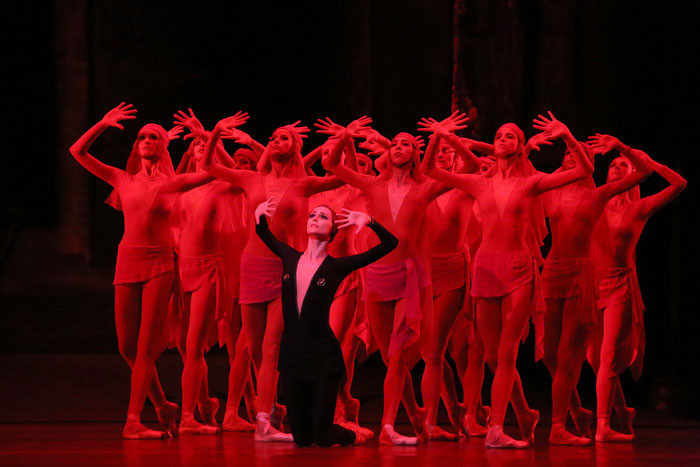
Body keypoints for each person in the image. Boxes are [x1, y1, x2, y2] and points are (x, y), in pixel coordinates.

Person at [422, 112, 592, 448]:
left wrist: (567, 135)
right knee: (490, 355)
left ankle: (497, 428)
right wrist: (439, 135)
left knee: (507, 351)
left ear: (520, 146)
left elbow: (584, 171)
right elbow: (430, 170)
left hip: (518, 268)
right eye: (498, 136)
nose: (502, 140)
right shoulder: (479, 183)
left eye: (509, 136)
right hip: (486, 268)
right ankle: (522, 414)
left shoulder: (530, 182)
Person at [202, 114, 354, 441]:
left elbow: (341, 174)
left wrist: (344, 138)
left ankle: (262, 422)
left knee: (272, 347)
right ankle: (270, 409)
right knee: (255, 349)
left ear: (296, 147)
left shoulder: (304, 184)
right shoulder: (251, 179)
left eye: (284, 137)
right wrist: (215, 132)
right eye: (272, 137)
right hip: (252, 266)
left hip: (284, 269)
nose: (275, 141)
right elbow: (209, 165)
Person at [69, 103, 215, 439]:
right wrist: (102, 123)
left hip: (160, 263)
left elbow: (215, 171)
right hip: (128, 260)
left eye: (154, 137)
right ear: (136, 146)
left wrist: (205, 135)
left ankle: (133, 420)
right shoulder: (122, 179)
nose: (146, 140)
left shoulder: (174, 183)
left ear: (164, 146)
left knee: (147, 347)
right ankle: (162, 404)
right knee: (127, 347)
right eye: (142, 137)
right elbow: (77, 152)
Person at [322, 119, 451, 445]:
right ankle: (415, 413)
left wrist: (437, 138)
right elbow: (333, 165)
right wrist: (346, 136)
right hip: (377, 275)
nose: (398, 147)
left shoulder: (423, 189)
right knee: (387, 356)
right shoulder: (372, 186)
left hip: (409, 276)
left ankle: (388, 426)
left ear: (415, 153)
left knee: (396, 354)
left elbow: (460, 171)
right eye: (394, 143)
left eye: (406, 143)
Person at [254, 198, 397, 446]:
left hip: (323, 359)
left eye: (323, 217)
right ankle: (329, 428)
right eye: (312, 215)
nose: (315, 219)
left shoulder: (336, 267)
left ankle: (354, 434)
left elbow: (390, 244)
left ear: (332, 231)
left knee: (321, 438)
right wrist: (259, 214)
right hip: (293, 358)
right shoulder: (290, 257)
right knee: (302, 439)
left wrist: (370, 222)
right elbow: (263, 233)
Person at [539, 137, 651, 445]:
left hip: (588, 277)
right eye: (568, 153)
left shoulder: (598, 196)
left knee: (581, 356)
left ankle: (566, 425)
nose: (572, 156)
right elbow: (523, 181)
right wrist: (532, 146)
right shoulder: (552, 192)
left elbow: (644, 172)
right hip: (553, 273)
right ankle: (582, 411)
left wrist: (621, 147)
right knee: (548, 353)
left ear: (590, 164)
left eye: (580, 153)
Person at [587, 134, 687, 442]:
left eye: (623, 165)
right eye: (612, 165)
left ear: (634, 173)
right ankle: (622, 412)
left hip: (620, 285)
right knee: (594, 359)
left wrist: (633, 153)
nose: (616, 167)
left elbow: (679, 183)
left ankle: (603, 426)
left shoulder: (639, 208)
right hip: (592, 285)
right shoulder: (595, 201)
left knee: (607, 357)